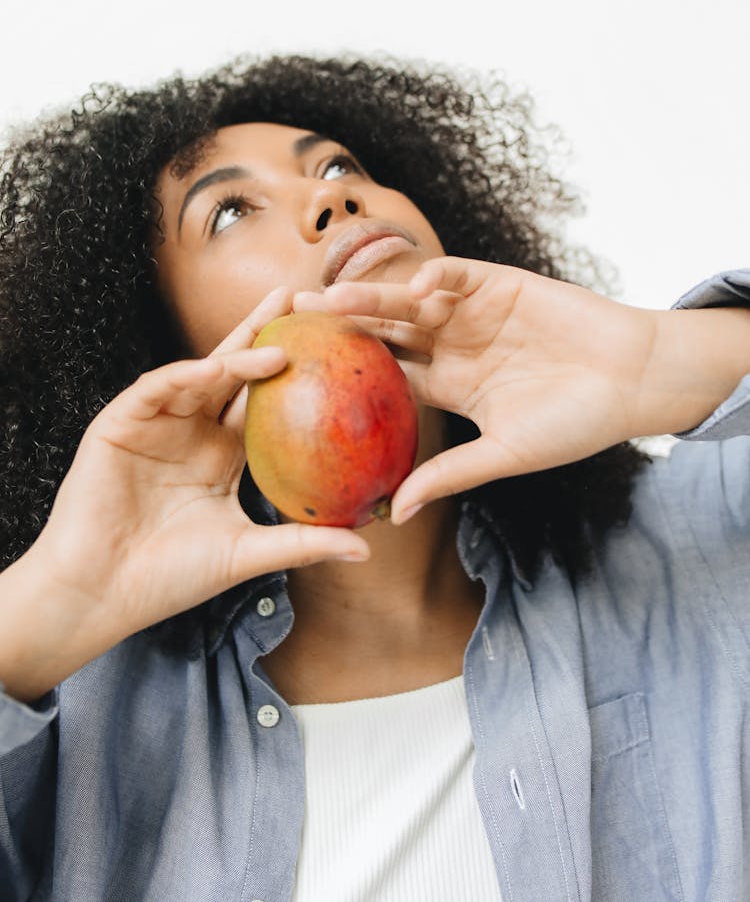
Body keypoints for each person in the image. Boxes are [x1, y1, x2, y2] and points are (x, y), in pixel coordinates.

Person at [0, 54, 749, 902]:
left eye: (340, 166)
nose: (332, 197)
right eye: (231, 210)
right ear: (153, 339)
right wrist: (53, 596)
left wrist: (662, 361)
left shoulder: (698, 548)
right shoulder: (77, 716)